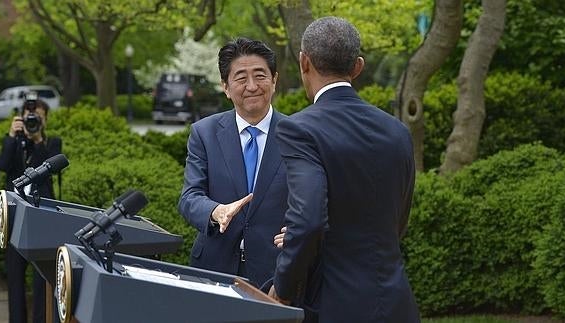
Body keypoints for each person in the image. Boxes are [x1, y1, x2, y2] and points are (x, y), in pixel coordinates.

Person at [268, 17, 421, 322]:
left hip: (333, 302)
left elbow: (309, 219)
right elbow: (396, 222)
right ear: (358, 67)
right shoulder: (397, 131)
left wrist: (283, 289)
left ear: (304, 62)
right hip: (395, 301)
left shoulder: (299, 129)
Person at [178, 37, 288, 288]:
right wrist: (216, 211)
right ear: (226, 87)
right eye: (240, 78)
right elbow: (189, 197)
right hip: (214, 268)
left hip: (276, 272)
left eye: (260, 76)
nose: (252, 86)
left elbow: (313, 203)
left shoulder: (297, 135)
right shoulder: (204, 133)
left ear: (274, 80)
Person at [0, 97, 62, 323]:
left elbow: (51, 172)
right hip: (15, 218)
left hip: (42, 219)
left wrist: (37, 140)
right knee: (14, 279)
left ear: (45, 120)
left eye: (38, 118)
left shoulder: (52, 143)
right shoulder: (14, 142)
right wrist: (11, 137)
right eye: (29, 118)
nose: (33, 121)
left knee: (41, 280)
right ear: (21, 118)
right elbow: (2, 167)